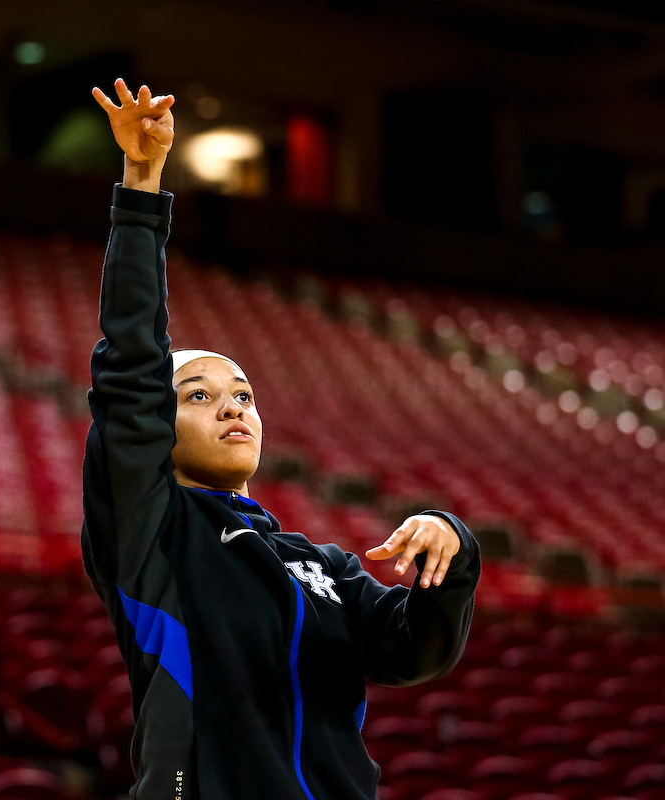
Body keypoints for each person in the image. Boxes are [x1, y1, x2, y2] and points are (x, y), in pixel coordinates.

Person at [81, 78, 481, 800]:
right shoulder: (154, 533)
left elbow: (411, 651)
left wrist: (450, 552)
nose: (233, 408)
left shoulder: (320, 564)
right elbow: (131, 368)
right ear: (156, 428)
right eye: (198, 396)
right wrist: (141, 187)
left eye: (243, 396)